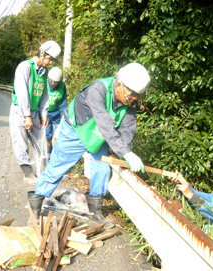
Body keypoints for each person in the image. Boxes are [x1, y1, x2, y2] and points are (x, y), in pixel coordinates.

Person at [28, 63, 150, 227]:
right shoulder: (97, 89)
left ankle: (95, 212)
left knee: (102, 168)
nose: (134, 98)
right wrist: (125, 153)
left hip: (98, 135)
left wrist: (127, 151)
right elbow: (104, 122)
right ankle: (36, 203)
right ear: (119, 85)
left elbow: (127, 130)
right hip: (75, 130)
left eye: (138, 95)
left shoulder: (130, 103)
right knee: (59, 165)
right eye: (132, 94)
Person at [9, 41, 61, 184]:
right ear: (42, 53)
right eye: (50, 59)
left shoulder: (43, 72)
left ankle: (43, 170)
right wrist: (27, 116)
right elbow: (22, 92)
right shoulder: (24, 67)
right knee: (21, 142)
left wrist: (44, 113)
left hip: (34, 111)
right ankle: (27, 173)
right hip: (20, 110)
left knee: (41, 140)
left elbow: (45, 94)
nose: (50, 62)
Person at [45, 67, 67, 156]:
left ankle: (55, 153)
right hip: (45, 113)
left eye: (57, 82)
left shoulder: (62, 86)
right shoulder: (45, 84)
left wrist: (63, 115)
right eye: (53, 82)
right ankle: (47, 151)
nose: (55, 84)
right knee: (47, 134)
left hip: (56, 113)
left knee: (57, 134)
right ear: (49, 79)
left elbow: (63, 102)